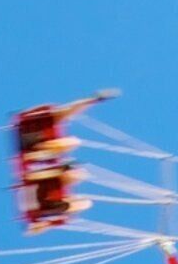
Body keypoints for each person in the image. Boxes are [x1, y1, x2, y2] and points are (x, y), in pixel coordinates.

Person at [8, 93, 108, 233]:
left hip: (36, 157)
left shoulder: (37, 162)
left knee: (71, 143)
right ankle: (49, 155)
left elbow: (29, 177)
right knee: (71, 144)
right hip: (40, 171)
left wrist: (91, 100)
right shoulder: (49, 172)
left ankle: (47, 154)